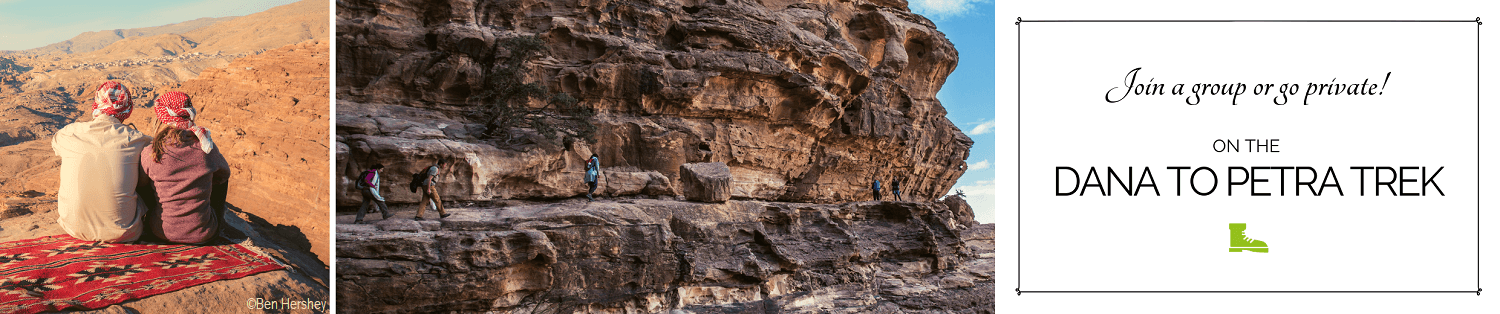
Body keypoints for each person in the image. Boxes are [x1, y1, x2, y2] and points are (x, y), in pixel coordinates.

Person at [52, 81, 152, 242]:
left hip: (72, 227)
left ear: (96, 104)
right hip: (125, 233)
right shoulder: (138, 140)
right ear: (128, 108)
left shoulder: (68, 133)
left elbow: (56, 145)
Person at [140, 91, 230, 244]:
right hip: (205, 234)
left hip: (160, 232)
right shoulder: (206, 146)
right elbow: (224, 174)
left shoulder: (151, 152)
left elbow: (141, 184)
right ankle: (215, 221)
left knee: (146, 182)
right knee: (221, 180)